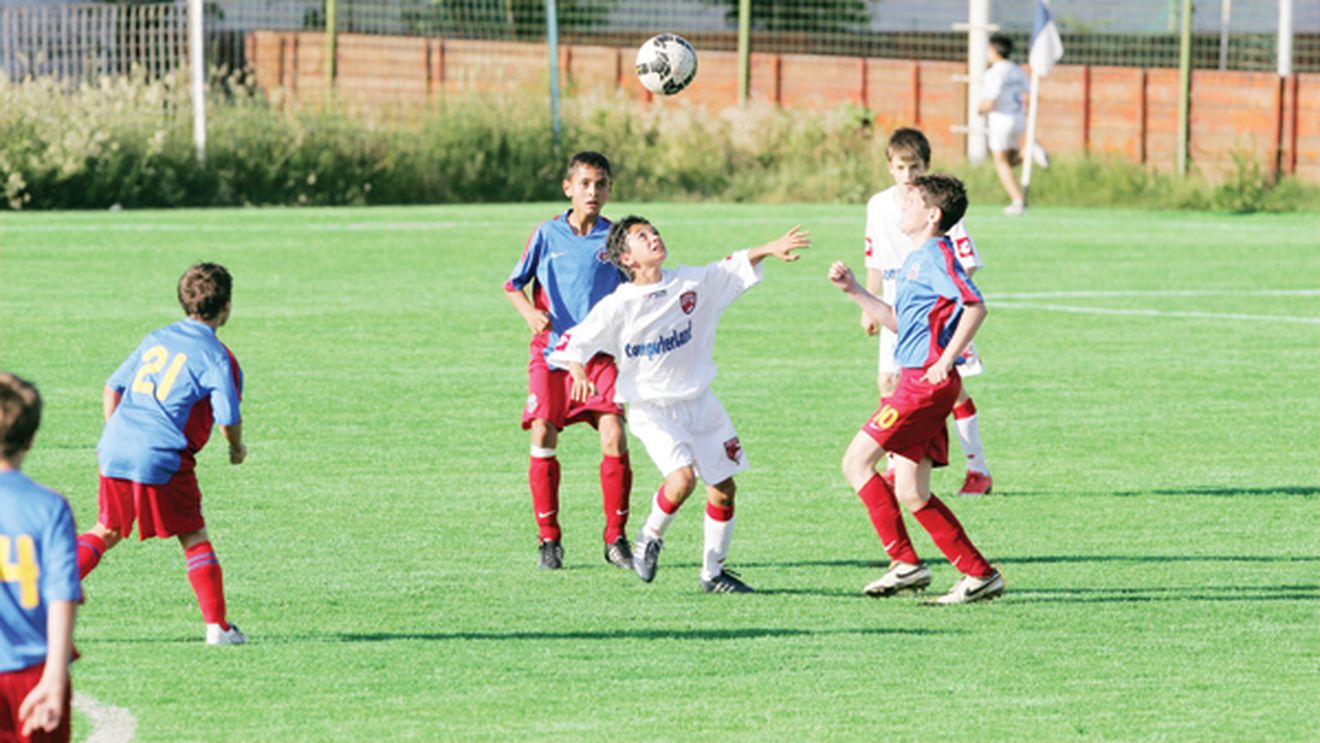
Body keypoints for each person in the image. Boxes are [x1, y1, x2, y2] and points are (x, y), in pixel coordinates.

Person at [549, 217, 810, 593]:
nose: (654, 237)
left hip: (701, 404)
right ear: (627, 258)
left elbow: (731, 266)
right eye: (642, 237)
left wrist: (769, 248)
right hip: (652, 410)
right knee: (682, 478)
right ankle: (649, 537)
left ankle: (713, 574)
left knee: (723, 489)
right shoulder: (618, 305)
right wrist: (576, 370)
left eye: (653, 231)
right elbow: (571, 343)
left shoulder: (689, 283)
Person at [829, 174, 1004, 605]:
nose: (901, 209)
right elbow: (901, 324)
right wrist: (854, 291)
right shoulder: (915, 258)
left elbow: (975, 305)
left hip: (922, 385)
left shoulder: (936, 256)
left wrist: (946, 360)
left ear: (932, 215)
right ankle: (978, 574)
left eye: (910, 203)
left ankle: (905, 563)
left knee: (856, 462)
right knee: (911, 491)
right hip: (917, 380)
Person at [75, 262, 248, 645]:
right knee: (193, 534)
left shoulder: (156, 338)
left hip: (116, 445)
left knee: (108, 528)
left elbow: (111, 387)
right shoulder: (217, 356)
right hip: (162, 454)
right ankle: (218, 627)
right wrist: (236, 447)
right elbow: (228, 415)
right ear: (228, 306)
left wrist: (118, 431)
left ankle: (32, 597)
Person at [504, 151, 635, 571]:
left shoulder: (615, 240)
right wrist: (529, 312)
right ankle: (549, 539)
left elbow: (639, 289)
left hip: (599, 356)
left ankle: (615, 539)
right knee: (542, 430)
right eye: (584, 184)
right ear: (568, 188)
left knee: (613, 434)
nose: (592, 192)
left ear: (609, 189)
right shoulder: (546, 235)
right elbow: (513, 284)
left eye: (600, 184)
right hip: (552, 353)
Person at [863, 128, 993, 496]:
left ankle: (977, 468)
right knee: (890, 382)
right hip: (895, 303)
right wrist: (868, 300)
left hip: (934, 313)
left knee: (950, 390)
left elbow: (963, 264)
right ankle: (895, 466)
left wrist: (942, 301)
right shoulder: (879, 206)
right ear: (889, 167)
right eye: (901, 167)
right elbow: (874, 257)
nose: (908, 176)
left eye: (914, 167)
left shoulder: (935, 208)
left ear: (926, 166)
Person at [0, 372, 80, 742]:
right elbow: (62, 595)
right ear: (31, 439)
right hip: (33, 673)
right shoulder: (49, 507)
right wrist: (53, 678)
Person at [977, 33, 1047, 216]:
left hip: (1001, 119)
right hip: (1018, 119)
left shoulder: (993, 73)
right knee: (1011, 159)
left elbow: (991, 101)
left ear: (993, 50)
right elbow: (1032, 95)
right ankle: (1028, 151)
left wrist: (979, 109)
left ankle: (1018, 200)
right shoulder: (1018, 70)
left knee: (1001, 162)